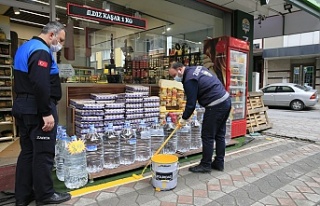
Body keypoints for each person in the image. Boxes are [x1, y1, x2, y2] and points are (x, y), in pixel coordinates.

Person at [12, 21, 71, 206]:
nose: (59, 44)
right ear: (51, 34)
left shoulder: (25, 47)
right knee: (43, 154)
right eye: (60, 39)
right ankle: (45, 195)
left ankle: (23, 195)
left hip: (23, 105)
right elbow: (40, 83)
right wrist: (46, 112)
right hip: (37, 109)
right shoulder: (41, 51)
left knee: (28, 152)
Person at [168, 62, 231, 173]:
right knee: (220, 134)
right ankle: (219, 163)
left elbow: (191, 104)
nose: (174, 78)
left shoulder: (189, 79)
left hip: (215, 105)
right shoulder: (197, 68)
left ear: (179, 69)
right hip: (225, 100)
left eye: (174, 75)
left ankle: (205, 165)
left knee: (207, 136)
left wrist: (183, 118)